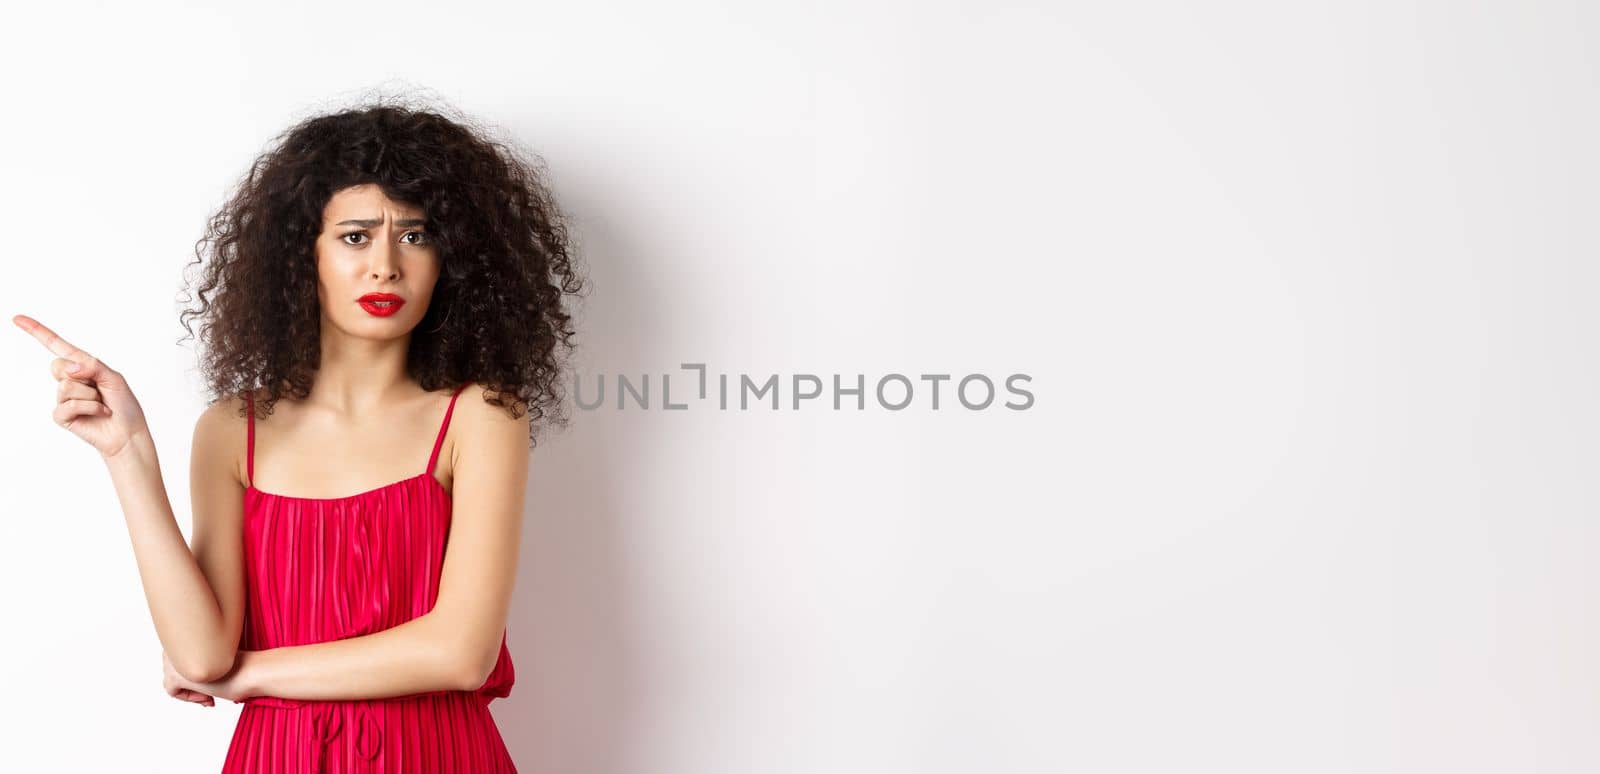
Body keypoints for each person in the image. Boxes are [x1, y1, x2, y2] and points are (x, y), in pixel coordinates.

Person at [12, 96, 585, 772]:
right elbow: (200, 655)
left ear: (451, 259)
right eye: (355, 236)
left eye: (416, 235)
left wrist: (250, 675)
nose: (386, 266)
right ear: (299, 254)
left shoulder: (481, 417)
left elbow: (460, 654)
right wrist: (128, 454)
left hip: (437, 756)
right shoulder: (231, 432)